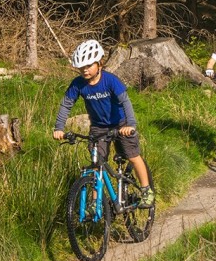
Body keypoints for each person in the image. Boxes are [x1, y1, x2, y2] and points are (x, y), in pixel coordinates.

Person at [53, 39, 155, 208]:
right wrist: (59, 128)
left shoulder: (110, 80)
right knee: (96, 163)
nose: (85, 70)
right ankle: (96, 202)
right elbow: (66, 104)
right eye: (81, 67)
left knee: (132, 156)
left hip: (121, 124)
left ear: (99, 63)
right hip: (98, 127)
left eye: (89, 66)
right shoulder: (78, 84)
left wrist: (130, 125)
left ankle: (146, 191)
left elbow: (125, 102)